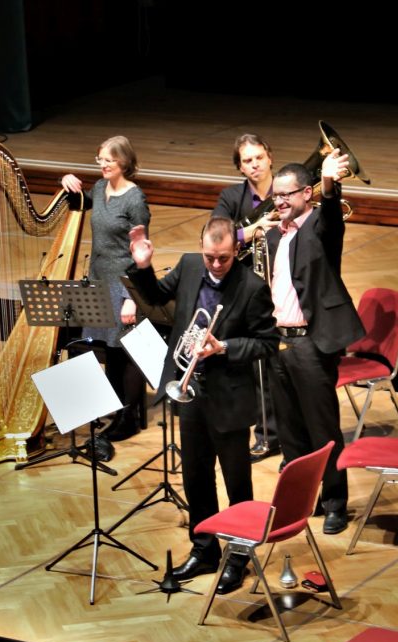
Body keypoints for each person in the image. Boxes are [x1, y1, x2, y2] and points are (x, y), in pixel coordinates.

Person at [126, 216, 278, 592]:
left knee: (236, 481)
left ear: (235, 251)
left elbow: (268, 342)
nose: (214, 265)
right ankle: (204, 549)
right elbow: (156, 298)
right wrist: (143, 266)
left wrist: (223, 347)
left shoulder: (252, 287)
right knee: (195, 476)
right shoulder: (191, 265)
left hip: (229, 396)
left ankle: (240, 554)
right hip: (190, 389)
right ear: (201, 248)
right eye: (210, 256)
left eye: (223, 258)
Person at [264, 151, 364, 535]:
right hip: (279, 343)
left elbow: (333, 212)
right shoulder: (274, 236)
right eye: (275, 197)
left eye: (286, 195)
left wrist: (328, 183)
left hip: (310, 344)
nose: (280, 202)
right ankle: (301, 501)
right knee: (290, 431)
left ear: (306, 194)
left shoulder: (321, 228)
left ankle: (335, 502)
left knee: (323, 430)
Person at [61, 136, 150, 442]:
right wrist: (67, 183)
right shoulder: (99, 189)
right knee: (108, 347)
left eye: (108, 160)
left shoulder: (135, 199)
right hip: (98, 277)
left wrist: (131, 298)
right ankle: (117, 409)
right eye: (99, 159)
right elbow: (79, 202)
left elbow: (141, 251)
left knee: (124, 350)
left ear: (123, 161)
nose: (103, 165)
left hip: (123, 283)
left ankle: (129, 417)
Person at [213, 133, 281, 461]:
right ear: (240, 167)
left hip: (284, 287)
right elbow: (217, 236)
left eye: (258, 157)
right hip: (248, 290)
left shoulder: (289, 190)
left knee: (279, 367)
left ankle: (280, 431)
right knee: (253, 366)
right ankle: (262, 432)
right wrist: (252, 231)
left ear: (270, 157)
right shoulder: (230, 197)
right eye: (247, 161)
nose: (254, 165)